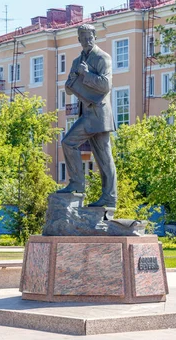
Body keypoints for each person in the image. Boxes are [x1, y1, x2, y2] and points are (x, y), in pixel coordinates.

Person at [56, 23, 117, 217]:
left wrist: (86, 74)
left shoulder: (102, 58)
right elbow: (68, 86)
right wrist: (71, 82)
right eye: (83, 36)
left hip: (99, 114)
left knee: (104, 157)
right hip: (86, 113)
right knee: (68, 143)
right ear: (79, 39)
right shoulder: (76, 61)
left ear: (95, 37)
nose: (87, 40)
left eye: (90, 36)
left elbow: (106, 85)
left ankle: (109, 197)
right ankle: (77, 184)